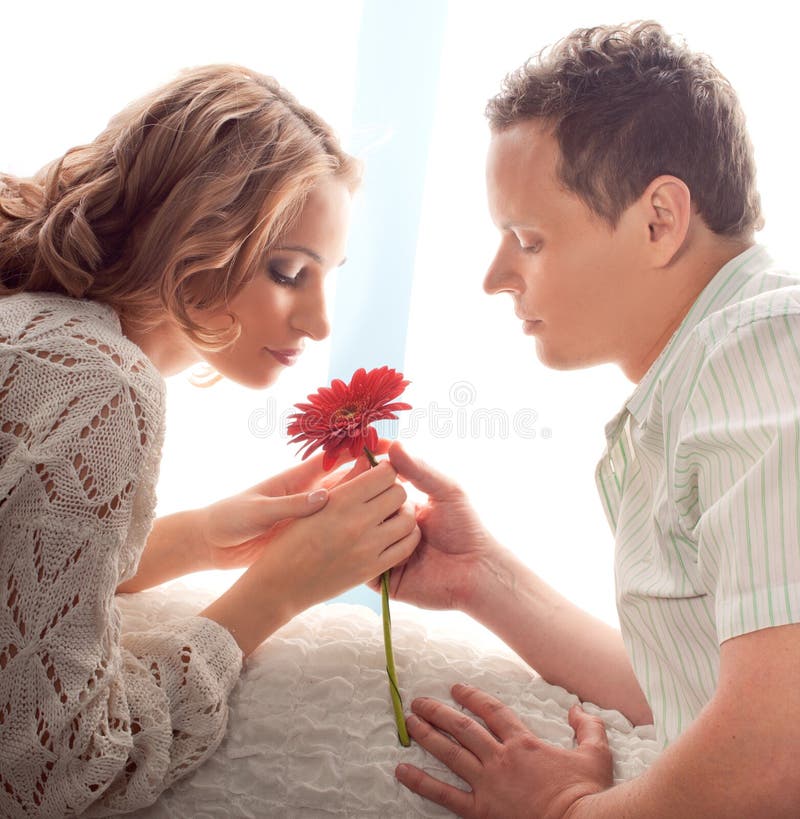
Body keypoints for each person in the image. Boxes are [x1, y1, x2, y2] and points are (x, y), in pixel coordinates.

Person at [380, 21, 800, 818]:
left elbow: (779, 748)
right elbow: (708, 689)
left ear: (659, 221)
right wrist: (482, 578)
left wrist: (562, 812)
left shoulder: (767, 343)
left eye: (528, 239)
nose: (495, 276)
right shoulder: (710, 374)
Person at [0, 65, 420, 817]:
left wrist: (198, 538)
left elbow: (17, 590)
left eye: (330, 277)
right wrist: (275, 591)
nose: (321, 322)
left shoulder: (35, 331)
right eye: (289, 271)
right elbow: (51, 770)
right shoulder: (101, 383)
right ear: (192, 234)